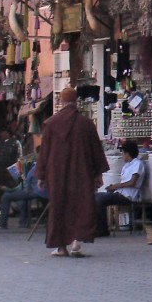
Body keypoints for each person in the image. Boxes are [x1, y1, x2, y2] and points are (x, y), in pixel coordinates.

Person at [36, 86, 109, 258]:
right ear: (76, 101)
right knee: (81, 205)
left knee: (59, 207)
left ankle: (61, 248)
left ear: (61, 101)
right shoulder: (86, 124)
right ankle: (76, 240)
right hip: (81, 172)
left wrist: (41, 175)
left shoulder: (51, 124)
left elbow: (44, 152)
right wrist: (98, 174)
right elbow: (96, 151)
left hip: (57, 174)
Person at [94, 140, 146, 238]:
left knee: (100, 200)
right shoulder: (126, 166)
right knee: (96, 196)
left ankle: (102, 230)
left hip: (129, 195)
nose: (122, 155)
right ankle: (96, 226)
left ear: (127, 153)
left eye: (123, 153)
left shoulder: (138, 164)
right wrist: (113, 188)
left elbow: (132, 182)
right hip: (120, 192)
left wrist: (116, 186)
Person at [0, 162, 48, 229]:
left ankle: (3, 223)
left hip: (38, 191)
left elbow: (27, 182)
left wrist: (9, 189)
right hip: (47, 192)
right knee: (23, 197)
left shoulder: (37, 165)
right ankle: (22, 221)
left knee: (6, 196)